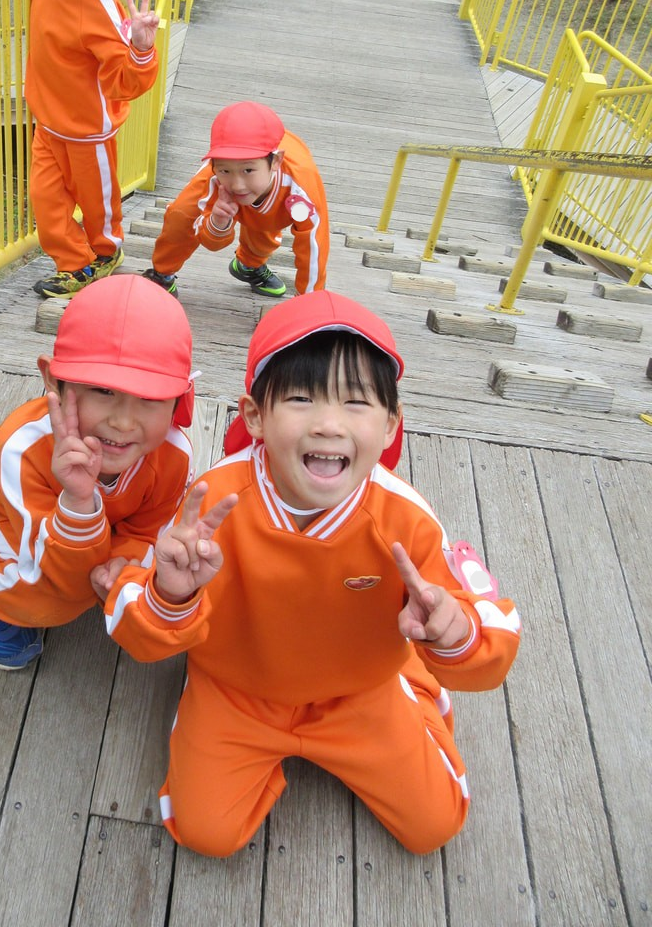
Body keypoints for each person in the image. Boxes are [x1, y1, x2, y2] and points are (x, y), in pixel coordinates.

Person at [99, 291, 522, 857]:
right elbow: (137, 630)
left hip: (358, 692)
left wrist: (455, 631)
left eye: (356, 402)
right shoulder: (214, 501)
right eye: (300, 398)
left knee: (435, 826)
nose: (327, 424)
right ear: (255, 416)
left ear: (391, 423)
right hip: (238, 690)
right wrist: (171, 592)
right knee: (206, 834)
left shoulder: (405, 519)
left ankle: (414, 686)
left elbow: (493, 635)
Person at [0, 274, 196, 670]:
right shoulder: (22, 450)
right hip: (9, 515)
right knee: (59, 597)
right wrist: (77, 500)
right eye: (103, 391)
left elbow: (149, 529)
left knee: (149, 572)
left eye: (150, 398)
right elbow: (59, 571)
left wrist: (125, 561)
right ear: (53, 380)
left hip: (102, 524)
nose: (124, 422)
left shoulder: (174, 455)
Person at [26, 0, 162, 299]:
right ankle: (74, 263)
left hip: (88, 133)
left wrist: (141, 47)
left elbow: (126, 82)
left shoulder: (101, 8)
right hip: (48, 124)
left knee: (99, 208)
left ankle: (105, 254)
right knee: (46, 202)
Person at [142, 100, 328, 299]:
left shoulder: (301, 190)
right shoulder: (217, 180)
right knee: (182, 215)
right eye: (224, 170)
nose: (237, 185)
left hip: (278, 194)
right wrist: (218, 222)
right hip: (246, 174)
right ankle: (162, 274)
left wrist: (309, 300)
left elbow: (314, 246)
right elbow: (212, 243)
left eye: (248, 170)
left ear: (276, 161)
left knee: (264, 227)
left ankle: (249, 264)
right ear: (214, 165)